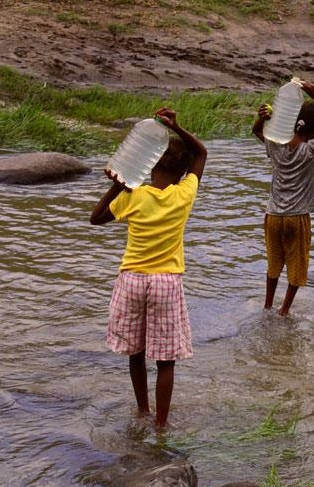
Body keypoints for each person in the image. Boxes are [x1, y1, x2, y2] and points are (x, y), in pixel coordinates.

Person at [90, 107, 207, 431]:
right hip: (166, 283)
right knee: (165, 360)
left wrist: (118, 184)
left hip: (132, 280)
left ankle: (142, 410)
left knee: (136, 352)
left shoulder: (135, 196)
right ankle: (161, 422)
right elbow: (201, 152)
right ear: (184, 173)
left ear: (150, 162)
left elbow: (95, 218)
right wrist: (178, 126)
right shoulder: (184, 194)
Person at [252, 79, 314, 317]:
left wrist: (263, 118)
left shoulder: (275, 145)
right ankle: (284, 310)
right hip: (297, 217)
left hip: (273, 216)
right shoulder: (311, 149)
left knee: (274, 263)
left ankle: (267, 305)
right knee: (297, 266)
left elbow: (255, 131)